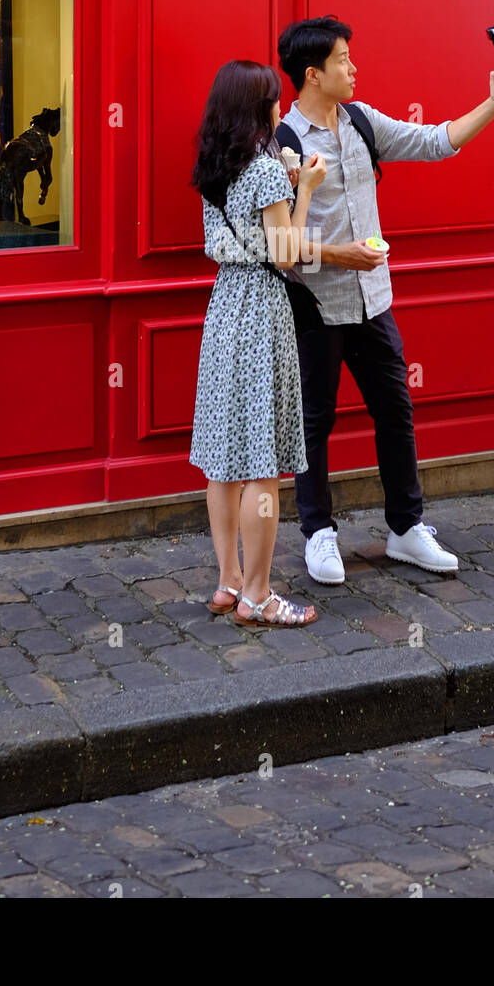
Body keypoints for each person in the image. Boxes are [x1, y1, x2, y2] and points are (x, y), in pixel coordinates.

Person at [275, 16, 494, 585]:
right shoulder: (284, 145)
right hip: (315, 305)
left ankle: (406, 529)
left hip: (374, 300)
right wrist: (340, 255)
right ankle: (318, 534)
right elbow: (277, 243)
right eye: (343, 59)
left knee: (395, 412)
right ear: (313, 74)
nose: (353, 67)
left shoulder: (361, 121)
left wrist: (493, 105)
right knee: (314, 422)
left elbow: (437, 142)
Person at [190, 59, 326, 627]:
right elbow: (288, 253)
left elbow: (232, 238)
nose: (281, 106)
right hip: (263, 311)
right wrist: (308, 191)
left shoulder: (214, 167)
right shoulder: (268, 169)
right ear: (258, 107)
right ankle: (260, 594)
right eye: (274, 99)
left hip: (224, 307)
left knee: (222, 460)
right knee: (264, 463)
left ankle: (228, 583)